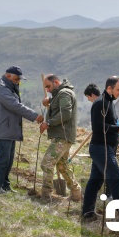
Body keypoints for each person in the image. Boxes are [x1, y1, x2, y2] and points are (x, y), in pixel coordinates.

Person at [81, 76, 119, 222]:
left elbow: (109, 126)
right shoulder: (100, 103)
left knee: (95, 181)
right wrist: (118, 129)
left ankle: (87, 212)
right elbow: (97, 128)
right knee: (116, 176)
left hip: (106, 147)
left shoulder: (110, 103)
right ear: (109, 88)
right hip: (100, 147)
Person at [0, 65, 44, 194]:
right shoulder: (2, 88)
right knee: (3, 159)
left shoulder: (9, 86)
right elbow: (15, 106)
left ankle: (5, 184)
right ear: (8, 76)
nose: (18, 81)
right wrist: (35, 116)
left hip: (8, 129)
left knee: (9, 159)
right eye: (17, 79)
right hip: (3, 129)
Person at [39, 74, 82, 202]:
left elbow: (65, 112)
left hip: (62, 137)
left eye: (49, 86)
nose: (47, 90)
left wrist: (48, 123)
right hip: (63, 136)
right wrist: (50, 101)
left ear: (56, 82)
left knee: (46, 164)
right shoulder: (61, 94)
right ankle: (76, 193)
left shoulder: (64, 94)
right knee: (62, 166)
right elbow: (60, 106)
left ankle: (46, 196)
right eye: (45, 87)